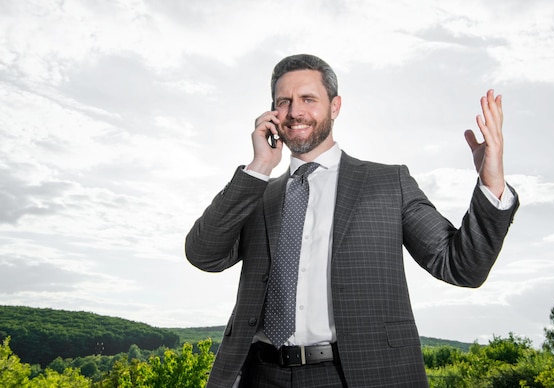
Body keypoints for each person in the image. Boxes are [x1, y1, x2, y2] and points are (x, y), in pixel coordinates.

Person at [185, 54, 519, 388]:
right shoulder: (257, 193)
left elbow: (462, 267)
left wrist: (492, 182)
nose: (295, 111)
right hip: (260, 375)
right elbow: (204, 254)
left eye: (308, 99)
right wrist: (259, 166)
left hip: (355, 376)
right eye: (283, 101)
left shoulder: (388, 183)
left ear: (335, 106)